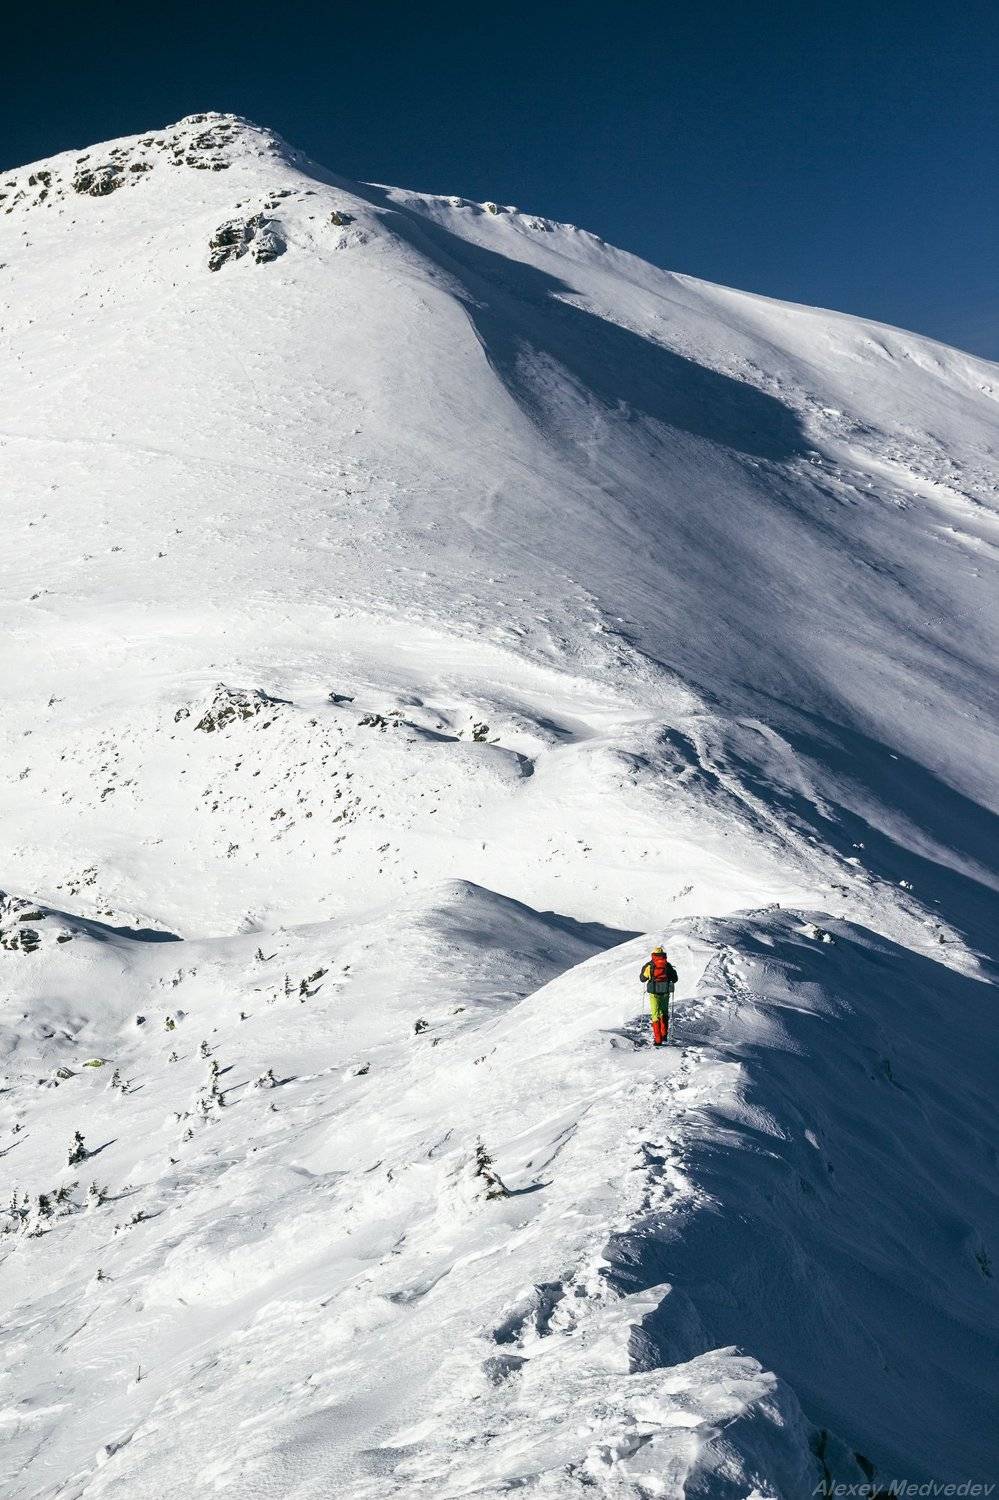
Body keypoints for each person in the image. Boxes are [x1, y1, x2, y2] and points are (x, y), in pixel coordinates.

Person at [640, 945, 678, 1046]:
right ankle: (664, 1034)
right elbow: (675, 979)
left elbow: (642, 978)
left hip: (654, 993)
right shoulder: (667, 965)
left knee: (655, 1014)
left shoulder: (650, 965)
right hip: (665, 992)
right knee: (664, 1012)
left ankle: (658, 1040)